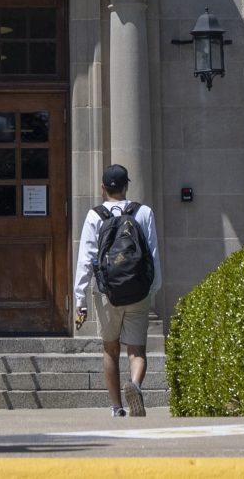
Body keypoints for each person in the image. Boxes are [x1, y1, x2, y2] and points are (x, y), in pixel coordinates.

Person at [71, 162, 161, 417]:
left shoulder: (95, 215)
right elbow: (153, 255)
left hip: (106, 292)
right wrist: (152, 288)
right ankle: (134, 385)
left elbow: (86, 258)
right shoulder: (143, 212)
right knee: (137, 350)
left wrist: (80, 300)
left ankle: (117, 407)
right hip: (138, 291)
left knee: (110, 348)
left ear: (103, 187)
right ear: (127, 186)